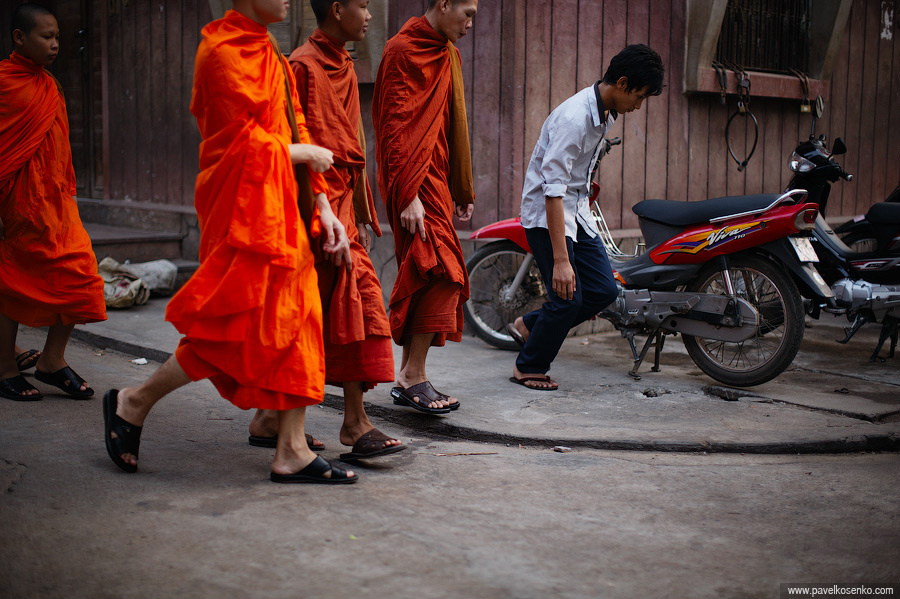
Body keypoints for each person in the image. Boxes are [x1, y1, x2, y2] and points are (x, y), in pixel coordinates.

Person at [102, 0, 358, 484]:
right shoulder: (220, 53)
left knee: (298, 322)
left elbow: (292, 121)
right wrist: (301, 152)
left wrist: (323, 206)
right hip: (245, 214)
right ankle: (133, 400)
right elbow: (231, 146)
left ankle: (291, 449)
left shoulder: (269, 51)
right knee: (228, 329)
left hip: (284, 208)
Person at [244, 0, 405, 462]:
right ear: (337, 9)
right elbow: (292, 144)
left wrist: (355, 209)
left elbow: (347, 147)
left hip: (340, 210)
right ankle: (349, 424)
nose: (370, 15)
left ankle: (273, 419)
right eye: (363, 5)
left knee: (345, 309)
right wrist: (317, 214)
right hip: (310, 211)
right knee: (326, 312)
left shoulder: (343, 66)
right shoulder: (301, 66)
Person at [508, 44, 664, 390]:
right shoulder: (575, 118)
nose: (638, 106)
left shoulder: (606, 113)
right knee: (567, 298)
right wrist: (562, 261)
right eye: (638, 97)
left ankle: (530, 326)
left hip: (577, 212)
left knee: (603, 291)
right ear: (622, 83)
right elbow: (552, 190)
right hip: (547, 216)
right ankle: (529, 366)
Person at [372, 0, 477, 414]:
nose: (470, 24)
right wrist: (409, 192)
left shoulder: (448, 52)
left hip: (435, 178)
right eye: (466, 13)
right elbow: (392, 126)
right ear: (443, 3)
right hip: (412, 184)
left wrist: (461, 184)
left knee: (428, 268)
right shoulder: (402, 50)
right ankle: (412, 376)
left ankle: (409, 376)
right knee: (441, 269)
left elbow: (455, 121)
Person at [0, 3, 107, 402]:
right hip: (17, 205)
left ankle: (51, 360)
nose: (56, 44)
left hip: (56, 204)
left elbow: (59, 149)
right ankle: (5, 368)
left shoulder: (49, 85)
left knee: (83, 277)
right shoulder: (4, 82)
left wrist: (66, 195)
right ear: (19, 38)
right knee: (13, 284)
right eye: (47, 37)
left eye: (58, 37)